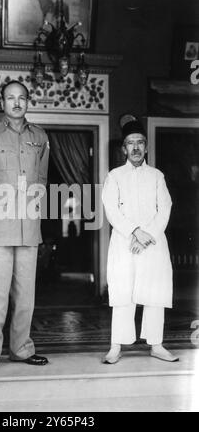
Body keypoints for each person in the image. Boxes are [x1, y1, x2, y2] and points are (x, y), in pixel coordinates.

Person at [0, 80, 50, 372]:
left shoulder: (40, 137)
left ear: (28, 102)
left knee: (26, 295)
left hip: (28, 226)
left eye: (22, 98)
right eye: (10, 98)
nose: (16, 103)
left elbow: (41, 179)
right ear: (1, 103)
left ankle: (22, 349)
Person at [102, 115, 179, 364]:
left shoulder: (157, 176)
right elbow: (112, 210)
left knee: (154, 292)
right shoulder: (114, 176)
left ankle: (156, 344)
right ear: (124, 148)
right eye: (130, 143)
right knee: (123, 292)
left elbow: (165, 208)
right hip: (125, 243)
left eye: (140, 143)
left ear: (146, 147)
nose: (135, 148)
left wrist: (147, 236)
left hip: (153, 244)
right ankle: (116, 346)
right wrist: (135, 232)